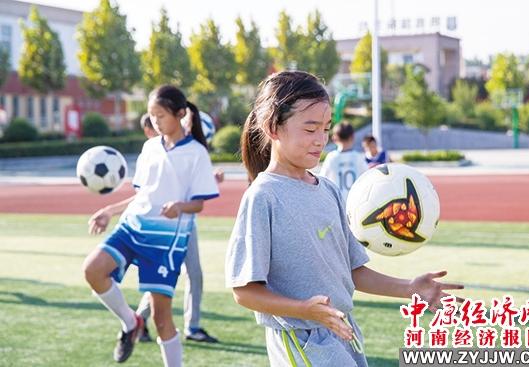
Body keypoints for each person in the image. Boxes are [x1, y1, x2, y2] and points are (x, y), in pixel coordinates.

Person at [225, 70, 463, 367]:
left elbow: (352, 271)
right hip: (301, 339)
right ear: (273, 126)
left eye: (326, 129)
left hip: (342, 331)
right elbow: (244, 291)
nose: (320, 140)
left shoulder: (329, 190)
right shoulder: (263, 196)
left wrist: (410, 288)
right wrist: (304, 310)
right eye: (310, 129)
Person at [83, 85, 219, 366]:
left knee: (161, 319)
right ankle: (130, 322)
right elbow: (143, 195)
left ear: (181, 114)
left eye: (160, 115)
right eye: (151, 116)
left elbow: (199, 204)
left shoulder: (196, 153)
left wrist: (180, 206)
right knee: (93, 270)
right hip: (133, 227)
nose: (155, 121)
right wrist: (109, 210)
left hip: (165, 243)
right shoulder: (149, 148)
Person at [135, 113, 222, 344]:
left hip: (186, 224)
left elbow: (193, 190)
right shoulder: (158, 148)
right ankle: (138, 320)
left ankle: (192, 327)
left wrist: (211, 180)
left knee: (194, 274)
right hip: (163, 226)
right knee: (163, 277)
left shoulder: (193, 151)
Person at [319, 122, 368, 202]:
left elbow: (322, 180)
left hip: (336, 201)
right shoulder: (358, 157)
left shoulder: (331, 157)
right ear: (352, 137)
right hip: (356, 202)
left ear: (335, 138)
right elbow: (367, 177)